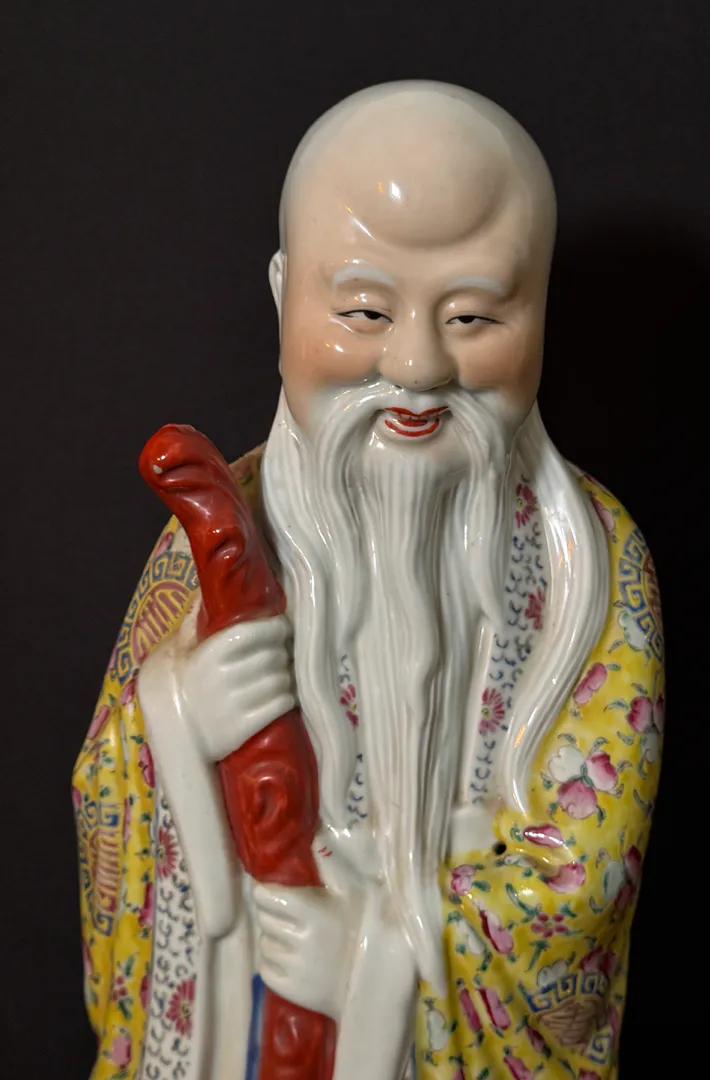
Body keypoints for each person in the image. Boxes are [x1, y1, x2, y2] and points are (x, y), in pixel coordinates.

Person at [73, 81, 664, 1080]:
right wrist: (176, 717)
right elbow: (109, 793)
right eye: (363, 310)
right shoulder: (221, 533)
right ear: (283, 295)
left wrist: (372, 960)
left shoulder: (594, 566)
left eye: (473, 316)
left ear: (539, 308)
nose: (418, 365)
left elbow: (583, 881)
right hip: (258, 1021)